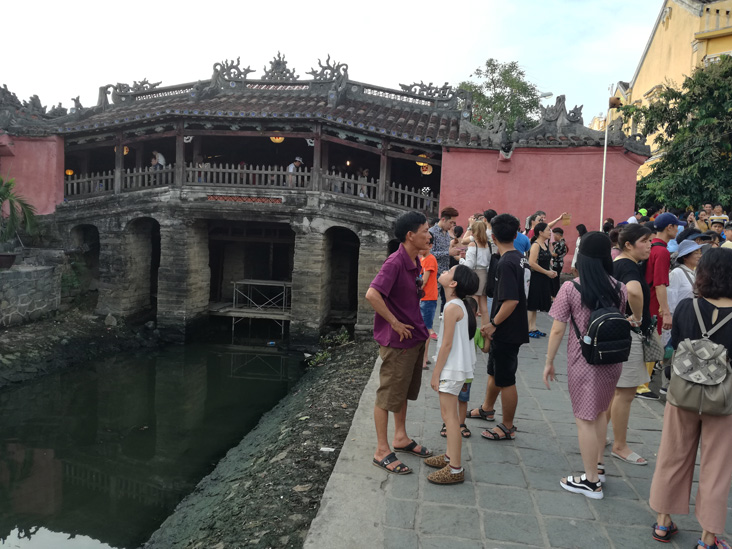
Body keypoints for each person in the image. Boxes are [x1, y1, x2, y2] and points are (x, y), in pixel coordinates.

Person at [649, 248, 732, 549]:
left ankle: (663, 522)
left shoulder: (686, 307)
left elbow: (676, 343)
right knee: (716, 468)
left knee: (672, 456)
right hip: (723, 401)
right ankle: (708, 538)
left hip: (682, 394)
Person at [543, 232, 627, 499]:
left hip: (584, 362)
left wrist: (549, 362)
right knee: (601, 412)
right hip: (612, 360)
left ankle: (591, 482)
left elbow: (557, 330)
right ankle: (598, 466)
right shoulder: (619, 287)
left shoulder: (571, 287)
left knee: (585, 420)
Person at [366, 211, 432, 475]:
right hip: (398, 341)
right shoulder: (395, 262)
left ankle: (401, 437)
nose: (430, 235)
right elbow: (372, 294)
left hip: (413, 338)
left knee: (402, 391)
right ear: (410, 235)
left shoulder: (413, 260)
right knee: (387, 395)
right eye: (426, 231)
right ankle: (382, 450)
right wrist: (393, 322)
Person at [466, 214, 530, 441]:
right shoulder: (519, 257)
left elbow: (511, 300)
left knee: (506, 378)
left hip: (507, 328)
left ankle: (508, 426)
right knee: (494, 370)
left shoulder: (506, 262)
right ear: (516, 234)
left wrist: (493, 324)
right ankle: (487, 408)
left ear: (493, 236)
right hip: (510, 326)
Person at [423, 265, 479, 485]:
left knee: (450, 419)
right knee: (450, 417)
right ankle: (449, 457)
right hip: (456, 368)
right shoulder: (459, 305)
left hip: (451, 368)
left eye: (448, 272)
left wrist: (435, 374)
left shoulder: (452, 308)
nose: (443, 273)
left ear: (454, 284)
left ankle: (455, 468)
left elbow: (445, 345)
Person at [609, 224, 653, 465]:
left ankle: (603, 435)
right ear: (628, 244)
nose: (649, 245)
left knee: (614, 391)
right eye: (645, 241)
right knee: (625, 393)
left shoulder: (616, 263)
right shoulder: (628, 266)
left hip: (617, 333)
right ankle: (620, 445)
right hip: (629, 335)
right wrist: (637, 317)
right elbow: (634, 292)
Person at [636, 212, 679, 401]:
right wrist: (666, 311)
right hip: (654, 301)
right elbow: (660, 283)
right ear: (669, 227)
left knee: (646, 340)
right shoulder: (662, 251)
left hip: (646, 299)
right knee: (653, 340)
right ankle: (642, 385)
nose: (678, 229)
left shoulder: (651, 247)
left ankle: (641, 382)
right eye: (676, 226)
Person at [527, 222, 557, 337]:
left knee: (537, 305)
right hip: (536, 277)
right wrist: (546, 272)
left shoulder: (545, 244)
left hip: (544, 277)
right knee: (532, 303)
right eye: (548, 230)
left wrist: (551, 271)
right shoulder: (535, 245)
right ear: (540, 232)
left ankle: (533, 327)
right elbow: (532, 263)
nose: (550, 232)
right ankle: (528, 329)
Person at [429, 207, 460, 316]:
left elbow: (445, 251)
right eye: (451, 222)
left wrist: (453, 251)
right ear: (443, 219)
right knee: (431, 302)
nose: (452, 226)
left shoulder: (446, 233)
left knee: (446, 300)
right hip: (433, 272)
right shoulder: (431, 232)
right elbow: (429, 254)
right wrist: (448, 253)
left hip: (445, 272)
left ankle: (444, 322)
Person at [460, 220, 491, 324]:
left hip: (475, 275)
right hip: (485, 274)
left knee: (472, 306)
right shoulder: (488, 244)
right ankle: (484, 332)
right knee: (484, 308)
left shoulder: (473, 244)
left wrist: (460, 260)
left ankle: (471, 331)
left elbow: (469, 265)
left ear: (474, 232)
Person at [419, 235, 439, 367]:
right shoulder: (423, 259)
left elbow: (424, 281)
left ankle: (424, 359)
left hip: (428, 297)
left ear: (431, 246)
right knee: (424, 327)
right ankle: (423, 358)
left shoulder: (430, 260)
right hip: (424, 297)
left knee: (425, 328)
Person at [551, 227, 568, 297]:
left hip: (557, 263)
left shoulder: (560, 244)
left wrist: (547, 251)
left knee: (555, 280)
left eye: (554, 235)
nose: (553, 237)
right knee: (555, 280)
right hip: (558, 263)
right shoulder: (560, 243)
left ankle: (555, 295)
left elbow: (555, 254)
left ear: (558, 235)